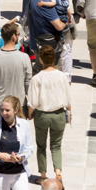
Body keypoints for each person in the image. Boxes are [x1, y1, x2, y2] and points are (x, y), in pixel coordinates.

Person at [27, 45, 70, 181]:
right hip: (59, 115)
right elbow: (68, 98)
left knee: (41, 146)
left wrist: (30, 114)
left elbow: (32, 101)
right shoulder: (62, 76)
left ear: (40, 59)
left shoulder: (37, 78)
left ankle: (43, 175)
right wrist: (70, 113)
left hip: (42, 115)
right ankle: (58, 173)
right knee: (56, 146)